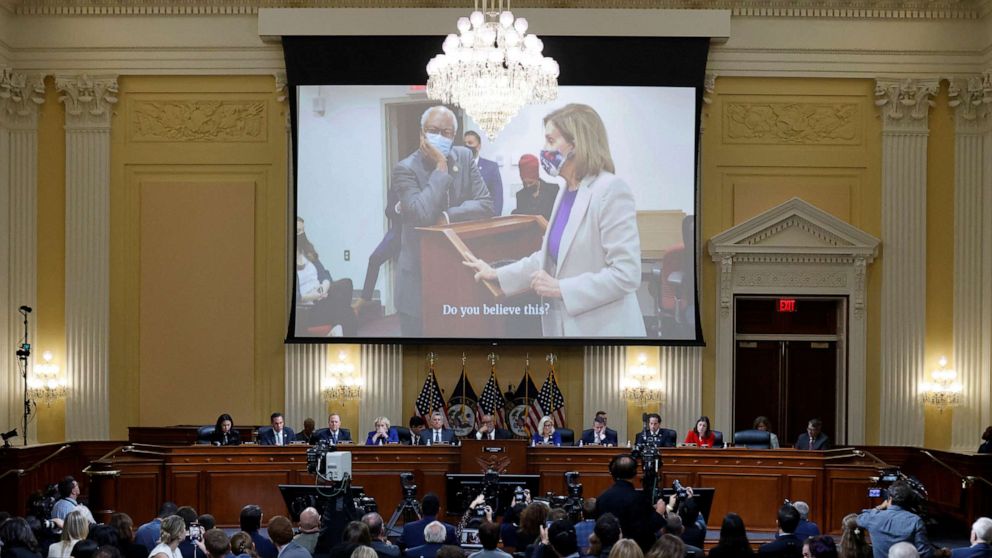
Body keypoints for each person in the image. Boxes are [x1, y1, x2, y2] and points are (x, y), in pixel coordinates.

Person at [464, 103, 644, 338]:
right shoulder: (566, 190)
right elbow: (549, 258)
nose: (544, 149)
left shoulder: (610, 189)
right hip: (566, 328)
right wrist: (497, 273)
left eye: (550, 140)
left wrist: (561, 288)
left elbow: (626, 274)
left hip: (605, 331)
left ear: (576, 145)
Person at [392, 105, 494, 336]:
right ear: (421, 133)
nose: (440, 136)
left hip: (458, 276)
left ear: (454, 136)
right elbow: (422, 215)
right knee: (419, 359)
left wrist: (448, 216)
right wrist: (441, 166)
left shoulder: (465, 156)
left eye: (447, 133)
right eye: (433, 130)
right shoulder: (404, 169)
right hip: (418, 283)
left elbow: (486, 204)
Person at [295, 217, 357, 337]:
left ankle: (337, 327)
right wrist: (314, 296)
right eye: (298, 231)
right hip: (308, 306)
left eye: (303, 231)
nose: (301, 235)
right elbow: (296, 296)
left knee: (346, 283)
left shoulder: (307, 252)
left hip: (321, 295)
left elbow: (324, 274)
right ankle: (339, 328)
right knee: (347, 312)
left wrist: (323, 287)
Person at [595, 454, 667, 552]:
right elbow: (646, 530)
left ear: (613, 473)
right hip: (634, 551)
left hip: (610, 551)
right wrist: (659, 512)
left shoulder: (602, 498)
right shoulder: (638, 499)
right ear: (634, 473)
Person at [354, 186, 402, 314]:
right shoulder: (397, 182)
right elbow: (388, 211)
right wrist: (398, 207)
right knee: (374, 258)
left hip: (416, 232)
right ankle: (365, 298)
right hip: (397, 231)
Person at [857, 482, 937, 558]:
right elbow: (925, 553)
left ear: (890, 499)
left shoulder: (873, 517)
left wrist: (880, 507)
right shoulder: (915, 521)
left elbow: (859, 517)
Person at [463, 130, 504, 216]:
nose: (467, 146)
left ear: (478, 146)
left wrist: (496, 219)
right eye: (465, 143)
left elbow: (497, 197)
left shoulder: (491, 167)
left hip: (484, 217)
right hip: (463, 218)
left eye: (470, 143)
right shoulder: (459, 167)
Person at [512, 154, 559, 221]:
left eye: (531, 182)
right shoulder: (520, 196)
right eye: (524, 183)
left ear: (537, 177)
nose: (528, 186)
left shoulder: (553, 191)